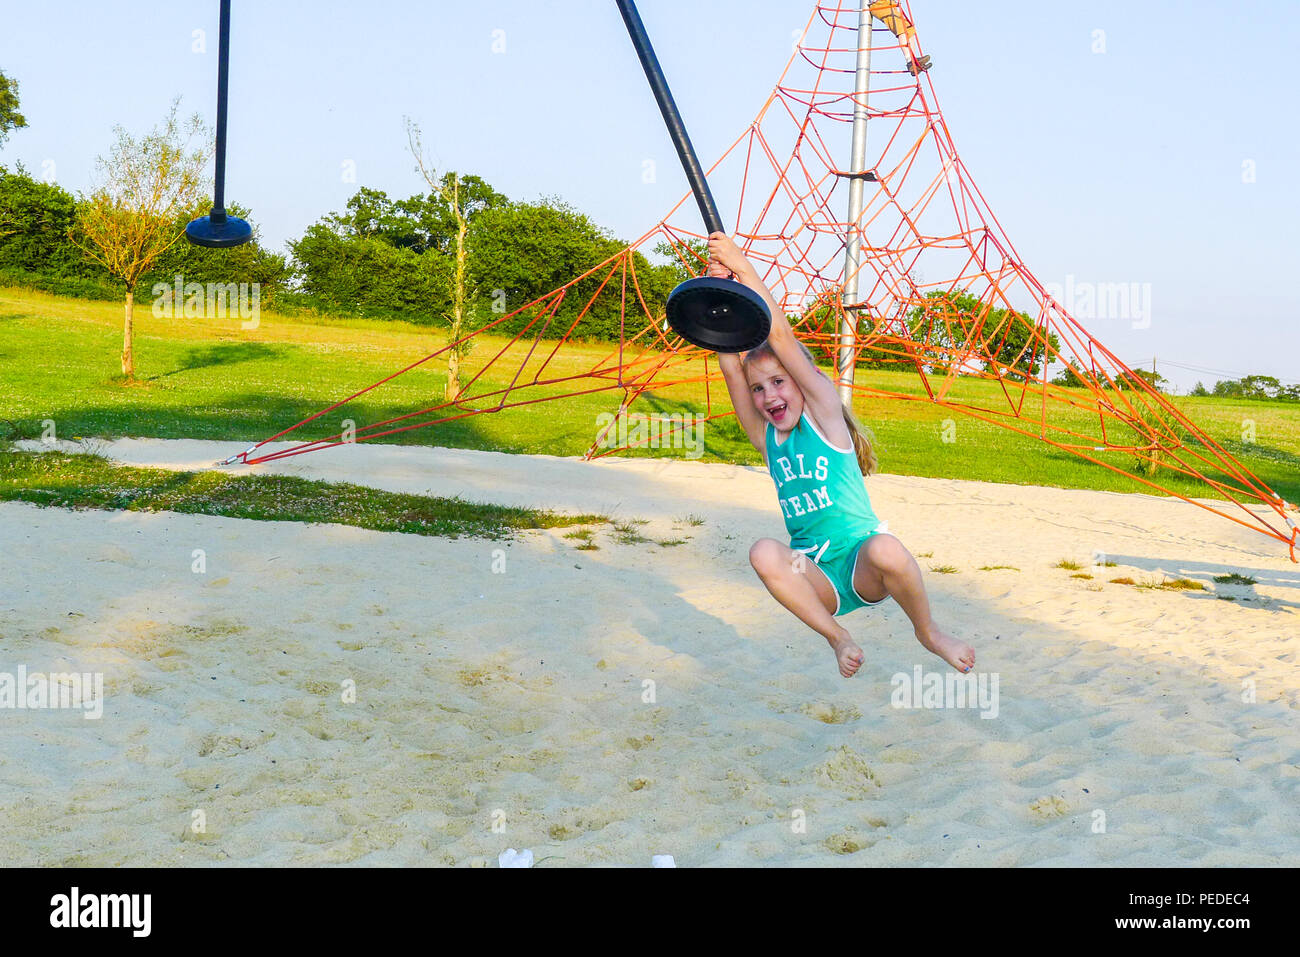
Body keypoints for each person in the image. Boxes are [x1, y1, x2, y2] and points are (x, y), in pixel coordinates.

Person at [708, 232, 975, 679]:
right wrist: (720, 293)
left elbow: (781, 337)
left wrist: (744, 267)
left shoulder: (825, 419)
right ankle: (838, 638)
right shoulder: (766, 438)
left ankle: (928, 632)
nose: (768, 395)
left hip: (861, 563)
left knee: (888, 548)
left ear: (802, 379)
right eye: (758, 388)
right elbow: (729, 362)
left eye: (779, 381)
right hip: (814, 574)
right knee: (763, 552)